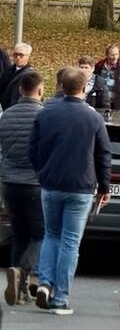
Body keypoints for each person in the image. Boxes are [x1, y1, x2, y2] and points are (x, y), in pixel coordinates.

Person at [29, 66, 112, 315]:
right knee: (70, 241)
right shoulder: (94, 118)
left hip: (51, 182)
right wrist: (104, 186)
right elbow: (103, 154)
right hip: (81, 186)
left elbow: (33, 148)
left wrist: (42, 172)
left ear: (62, 86)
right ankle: (61, 295)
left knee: (51, 234)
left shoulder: (45, 113)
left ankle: (44, 282)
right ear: (84, 88)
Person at [1, 70, 44, 307]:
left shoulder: (6, 115)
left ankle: (19, 291)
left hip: (9, 183)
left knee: (19, 236)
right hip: (34, 183)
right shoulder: (43, 115)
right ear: (40, 90)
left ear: (20, 90)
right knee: (40, 234)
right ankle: (23, 271)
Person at [0, 42, 33, 111]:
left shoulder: (31, 75)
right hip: (6, 109)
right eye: (16, 54)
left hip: (21, 109)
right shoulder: (8, 71)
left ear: (28, 56)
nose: (18, 58)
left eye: (21, 55)